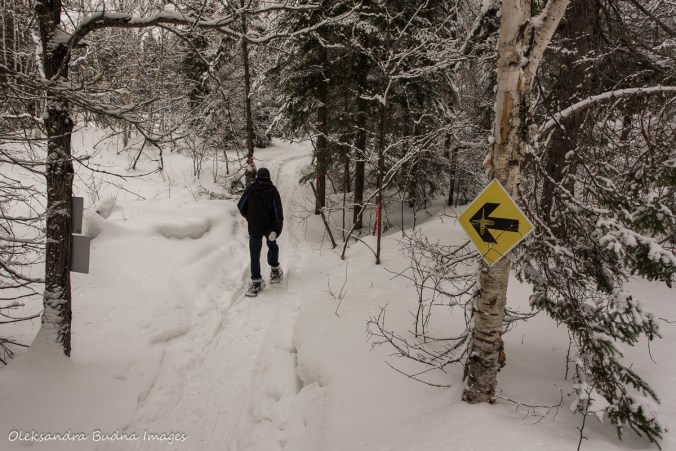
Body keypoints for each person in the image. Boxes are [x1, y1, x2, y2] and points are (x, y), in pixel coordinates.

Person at [237, 167, 284, 296]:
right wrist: (276, 230)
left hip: (254, 226)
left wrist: (249, 217)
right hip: (269, 228)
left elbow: (241, 207)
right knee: (272, 246)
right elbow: (278, 212)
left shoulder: (251, 189)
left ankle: (256, 282)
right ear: (268, 177)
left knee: (254, 252)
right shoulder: (273, 191)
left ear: (257, 177)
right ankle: (275, 271)